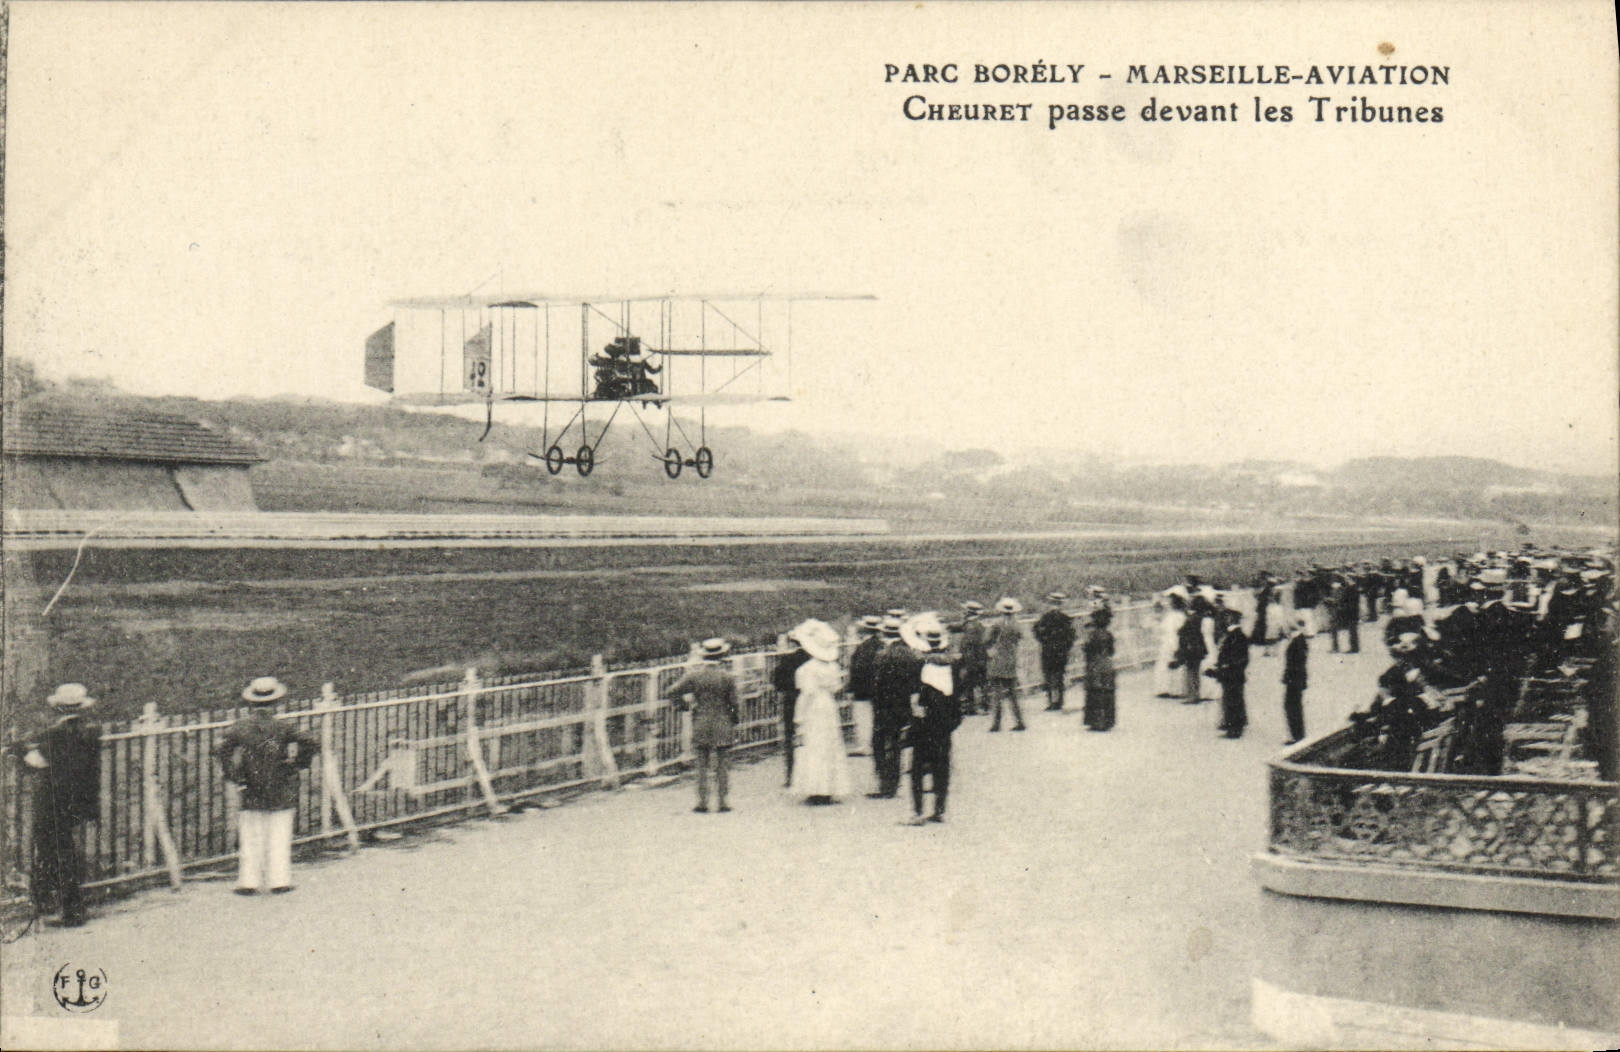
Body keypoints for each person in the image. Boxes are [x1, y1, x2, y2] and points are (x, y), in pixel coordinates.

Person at [217, 677, 319, 894]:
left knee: (251, 833)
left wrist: (233, 774)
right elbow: (310, 742)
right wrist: (297, 764)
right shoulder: (283, 727)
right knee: (279, 832)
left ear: (251, 703)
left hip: (250, 784)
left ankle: (248, 882)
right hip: (279, 783)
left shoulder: (240, 727)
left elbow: (221, 749)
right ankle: (279, 880)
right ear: (276, 702)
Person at [13, 684, 102, 926]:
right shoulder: (90, 732)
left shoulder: (53, 736)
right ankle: (59, 904)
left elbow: (35, 763)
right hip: (78, 802)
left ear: (58, 708)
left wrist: (19, 750)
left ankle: (67, 909)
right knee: (64, 851)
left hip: (53, 803)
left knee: (56, 853)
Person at [667, 639, 740, 813]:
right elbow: (735, 703)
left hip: (700, 721)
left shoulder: (694, 676)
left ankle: (702, 802)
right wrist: (734, 720)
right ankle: (723, 802)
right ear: (722, 656)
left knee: (701, 763)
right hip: (722, 722)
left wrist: (684, 706)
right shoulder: (727, 677)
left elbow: (672, 691)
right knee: (722, 764)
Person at [788, 620, 853, 804]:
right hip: (828, 706)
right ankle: (829, 788)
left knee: (814, 747)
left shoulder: (806, 670)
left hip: (814, 707)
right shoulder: (832, 667)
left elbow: (806, 695)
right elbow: (835, 687)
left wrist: (798, 718)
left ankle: (815, 789)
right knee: (830, 746)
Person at [906, 623, 961, 823]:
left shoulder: (920, 665)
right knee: (942, 766)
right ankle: (939, 809)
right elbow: (957, 699)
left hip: (923, 724)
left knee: (918, 768)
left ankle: (918, 811)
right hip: (943, 723)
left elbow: (913, 695)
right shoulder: (951, 667)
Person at [869, 617, 920, 798]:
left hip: (884, 706)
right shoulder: (910, 654)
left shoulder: (882, 655)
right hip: (903, 705)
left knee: (881, 744)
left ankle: (885, 784)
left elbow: (876, 684)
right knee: (897, 743)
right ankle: (894, 782)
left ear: (884, 633)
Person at [772, 633, 812, 788]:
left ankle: (791, 775)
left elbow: (777, 683)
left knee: (790, 737)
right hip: (810, 701)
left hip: (791, 701)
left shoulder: (786, 660)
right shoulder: (812, 658)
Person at [986, 598, 1027, 732]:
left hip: (998, 660)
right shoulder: (1017, 624)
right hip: (1011, 660)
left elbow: (987, 639)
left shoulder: (996, 624)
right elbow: (1020, 638)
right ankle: (1019, 721)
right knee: (1012, 694)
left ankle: (996, 724)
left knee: (997, 694)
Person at [845, 615, 884, 757]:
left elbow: (857, 669)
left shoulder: (863, 647)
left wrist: (851, 687)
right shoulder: (881, 645)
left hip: (862, 690)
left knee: (863, 718)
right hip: (878, 687)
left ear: (865, 630)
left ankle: (865, 745)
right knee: (876, 717)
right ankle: (877, 744)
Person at [1032, 592, 1076, 711]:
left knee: (1049, 675)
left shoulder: (1045, 617)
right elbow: (1072, 636)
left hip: (1048, 651)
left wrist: (1043, 640)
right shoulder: (1065, 618)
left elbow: (1036, 630)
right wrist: (1066, 647)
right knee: (1059, 675)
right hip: (1061, 652)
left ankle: (1052, 701)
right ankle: (1059, 701)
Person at [1210, 612, 1250, 738]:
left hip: (1232, 674)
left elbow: (1238, 657)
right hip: (1235, 674)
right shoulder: (1238, 635)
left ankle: (1234, 729)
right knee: (1234, 699)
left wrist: (1225, 666)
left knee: (1232, 701)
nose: (1225, 620)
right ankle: (1235, 725)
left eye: (1227, 618)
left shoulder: (1235, 636)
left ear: (1232, 620)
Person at [1081, 607, 1117, 731]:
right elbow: (1112, 651)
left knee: (1095, 692)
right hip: (1107, 664)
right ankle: (1107, 721)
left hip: (1095, 665)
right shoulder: (1109, 634)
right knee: (1107, 692)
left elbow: (1087, 650)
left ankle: (1096, 721)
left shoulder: (1092, 635)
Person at [955, 601, 990, 715]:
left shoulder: (970, 626)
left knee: (969, 683)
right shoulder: (977, 624)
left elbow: (968, 644)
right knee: (982, 682)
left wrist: (965, 660)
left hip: (972, 659)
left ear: (968, 612)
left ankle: (972, 708)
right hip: (980, 658)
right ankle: (985, 705)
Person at [1281, 615, 1310, 745]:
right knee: (1294, 707)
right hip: (1297, 680)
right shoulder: (1300, 640)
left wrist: (1289, 677)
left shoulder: (1296, 642)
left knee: (1292, 707)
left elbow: (1295, 663)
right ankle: (1298, 735)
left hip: (1294, 680)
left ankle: (1297, 736)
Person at [1154, 590, 1189, 696]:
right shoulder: (1175, 615)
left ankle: (1174, 689)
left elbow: (1175, 631)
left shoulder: (1177, 616)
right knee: (1166, 663)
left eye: (1170, 601)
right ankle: (1166, 688)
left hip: (1173, 641)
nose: (1169, 603)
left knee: (1173, 663)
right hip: (1168, 641)